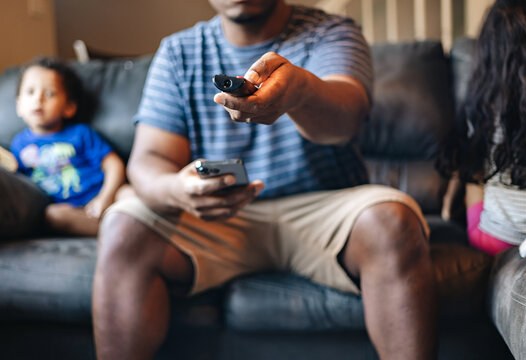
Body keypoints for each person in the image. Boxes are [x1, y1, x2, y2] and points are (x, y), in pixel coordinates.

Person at [92, 1, 438, 359]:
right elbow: (150, 160)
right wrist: (178, 190)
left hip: (324, 209)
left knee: (392, 220)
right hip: (217, 219)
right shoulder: (179, 51)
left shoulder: (331, 31)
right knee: (122, 221)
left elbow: (344, 122)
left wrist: (301, 90)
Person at [438, 0, 526, 256]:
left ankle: (449, 207)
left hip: (495, 239)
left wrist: (449, 203)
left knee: (476, 170)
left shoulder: (482, 106)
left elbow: (467, 165)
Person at [10, 57, 125, 236]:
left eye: (49, 94)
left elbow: (113, 164)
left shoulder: (80, 133)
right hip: (72, 212)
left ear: (69, 107)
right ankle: (120, 233)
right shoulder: (18, 145)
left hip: (105, 197)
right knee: (52, 216)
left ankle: (128, 228)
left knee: (129, 193)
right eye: (30, 92)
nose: (38, 99)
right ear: (19, 105)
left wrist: (106, 196)